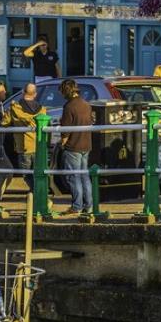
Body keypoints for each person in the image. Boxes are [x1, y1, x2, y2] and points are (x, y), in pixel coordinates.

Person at [58, 80, 95, 218]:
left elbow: (66, 131)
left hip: (73, 146)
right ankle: (89, 206)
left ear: (66, 91)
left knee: (73, 176)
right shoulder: (86, 104)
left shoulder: (69, 107)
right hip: (86, 145)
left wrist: (62, 143)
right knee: (85, 176)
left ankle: (76, 206)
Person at [3, 84, 43, 194]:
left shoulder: (15, 107)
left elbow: (4, 123)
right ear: (35, 94)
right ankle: (39, 194)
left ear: (22, 92)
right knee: (39, 173)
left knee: (26, 174)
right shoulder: (42, 110)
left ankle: (35, 193)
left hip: (23, 147)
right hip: (38, 146)